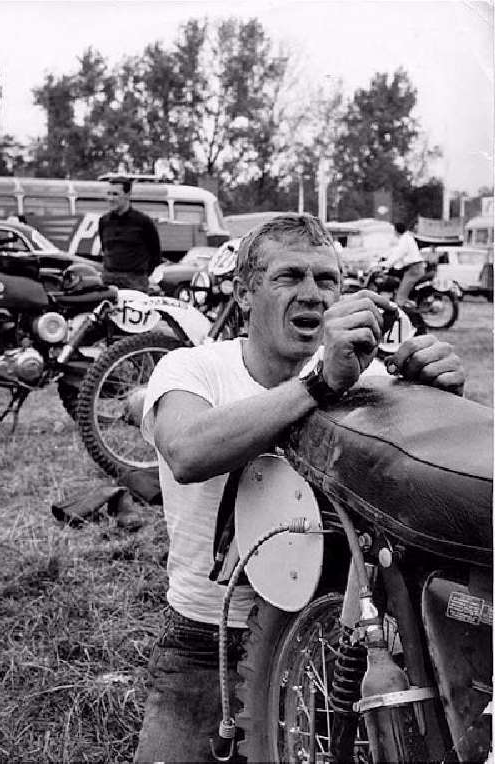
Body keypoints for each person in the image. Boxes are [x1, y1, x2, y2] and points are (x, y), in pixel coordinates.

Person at [134, 214, 465, 763]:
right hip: (206, 639)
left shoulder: (364, 379)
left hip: (325, 641)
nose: (312, 294)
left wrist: (439, 399)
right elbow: (187, 452)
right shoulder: (192, 368)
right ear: (243, 292)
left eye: (327, 280)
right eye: (289, 277)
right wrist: (319, 383)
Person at [97, 177, 161, 291]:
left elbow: (156, 255)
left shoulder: (144, 222)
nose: (110, 199)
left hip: (135, 283)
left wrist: (141, 275)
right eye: (109, 194)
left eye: (115, 194)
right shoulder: (103, 221)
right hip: (108, 281)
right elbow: (104, 249)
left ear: (128, 195)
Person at [382, 221, 426, 306]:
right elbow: (394, 251)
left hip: (414, 269)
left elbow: (399, 254)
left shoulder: (405, 239)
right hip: (413, 267)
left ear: (396, 231)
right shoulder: (406, 238)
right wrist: (384, 258)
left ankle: (400, 316)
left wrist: (387, 264)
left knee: (400, 297)